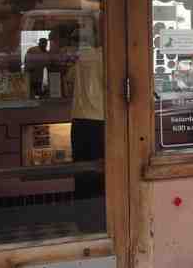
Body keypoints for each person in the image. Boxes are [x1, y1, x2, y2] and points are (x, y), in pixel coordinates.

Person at [68, 27, 105, 233]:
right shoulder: (108, 59)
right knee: (102, 173)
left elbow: (68, 79)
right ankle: (101, 222)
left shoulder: (83, 57)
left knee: (82, 173)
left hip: (79, 121)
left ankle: (84, 223)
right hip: (101, 120)